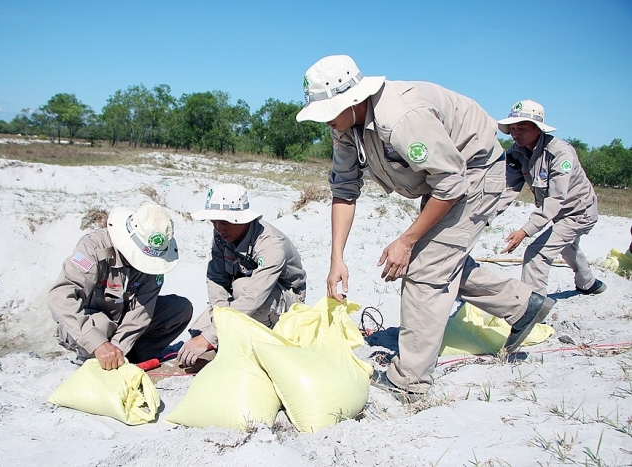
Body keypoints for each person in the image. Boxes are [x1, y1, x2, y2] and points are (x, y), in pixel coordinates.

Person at [295, 55, 555, 400]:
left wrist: (406, 240)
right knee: (440, 258)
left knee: (425, 267)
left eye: (329, 111)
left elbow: (451, 182)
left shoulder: (401, 119)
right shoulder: (345, 127)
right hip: (443, 181)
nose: (325, 121)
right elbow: (344, 190)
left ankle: (410, 381)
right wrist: (336, 259)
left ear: (354, 100)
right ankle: (522, 305)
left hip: (474, 174)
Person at [48, 203, 193, 370]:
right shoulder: (93, 248)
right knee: (102, 325)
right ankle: (92, 359)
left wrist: (119, 350)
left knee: (179, 309)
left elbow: (140, 313)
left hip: (122, 323)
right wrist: (98, 343)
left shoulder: (154, 263)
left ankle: (131, 357)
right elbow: (60, 297)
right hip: (88, 324)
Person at [177, 183, 307, 367]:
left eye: (224, 222)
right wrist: (219, 316)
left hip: (285, 300)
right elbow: (216, 277)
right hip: (248, 295)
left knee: (239, 291)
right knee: (198, 333)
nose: (219, 228)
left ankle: (259, 343)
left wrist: (212, 336)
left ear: (242, 219)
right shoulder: (222, 234)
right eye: (214, 222)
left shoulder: (271, 245)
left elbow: (254, 295)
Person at [496, 100, 606, 296]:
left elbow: (555, 199)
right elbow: (509, 188)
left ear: (538, 129)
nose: (515, 133)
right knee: (567, 246)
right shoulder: (516, 152)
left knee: (536, 253)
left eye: (522, 127)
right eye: (512, 128)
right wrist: (486, 216)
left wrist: (525, 231)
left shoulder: (559, 153)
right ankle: (588, 283)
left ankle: (532, 310)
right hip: (558, 214)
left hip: (579, 213)